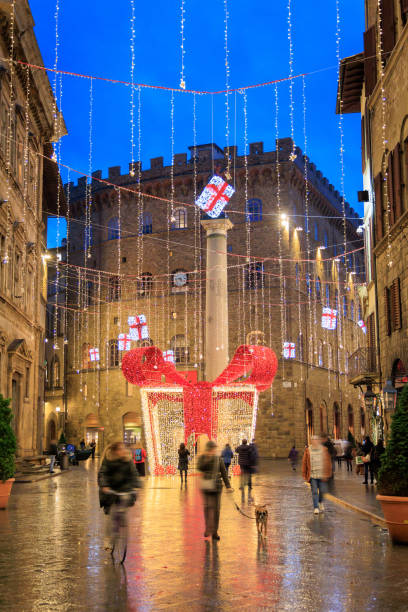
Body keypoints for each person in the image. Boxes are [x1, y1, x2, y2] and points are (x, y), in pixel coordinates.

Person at [98, 441, 141, 551]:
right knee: (111, 513)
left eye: (124, 449)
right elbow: (102, 473)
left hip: (124, 489)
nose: (123, 451)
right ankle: (108, 539)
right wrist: (104, 485)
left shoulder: (128, 461)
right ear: (116, 451)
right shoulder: (108, 460)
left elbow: (134, 474)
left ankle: (121, 522)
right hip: (111, 489)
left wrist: (136, 485)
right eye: (121, 449)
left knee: (123, 506)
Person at [197, 440, 233, 540]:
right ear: (208, 449)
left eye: (214, 449)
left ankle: (215, 532)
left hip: (217, 486)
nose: (213, 451)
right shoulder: (203, 457)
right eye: (211, 449)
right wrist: (207, 458)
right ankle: (207, 528)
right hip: (206, 486)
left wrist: (228, 486)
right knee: (207, 507)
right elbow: (199, 467)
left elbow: (224, 472)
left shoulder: (218, 459)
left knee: (216, 509)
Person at [302, 435, 332, 514]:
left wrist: (328, 473)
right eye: (313, 440)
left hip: (322, 474)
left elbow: (328, 462)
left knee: (322, 491)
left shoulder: (324, 450)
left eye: (316, 440)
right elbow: (304, 462)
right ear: (311, 441)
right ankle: (316, 507)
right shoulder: (308, 450)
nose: (314, 441)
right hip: (313, 475)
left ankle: (320, 502)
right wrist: (304, 474)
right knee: (314, 491)